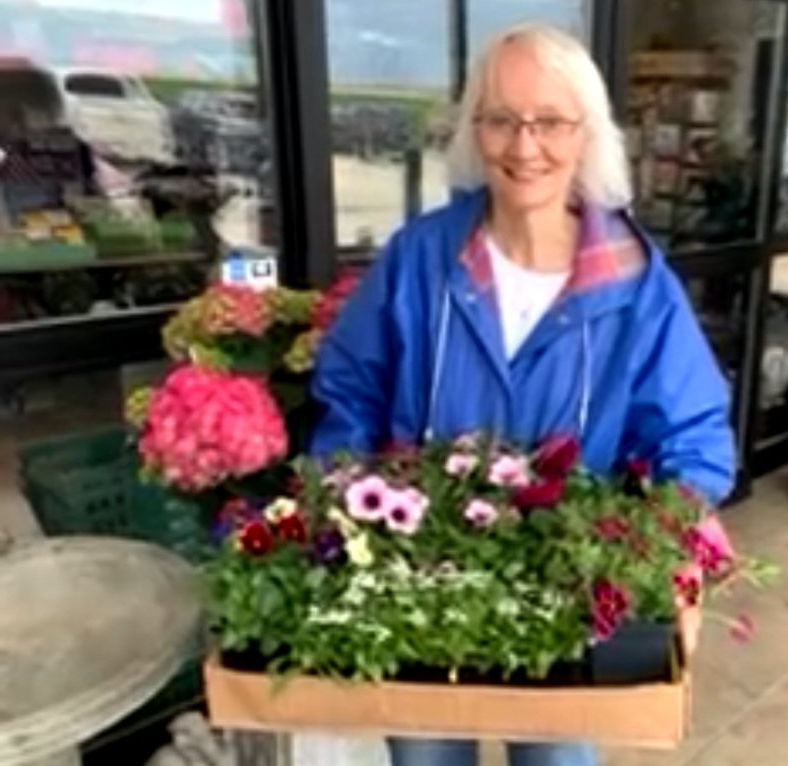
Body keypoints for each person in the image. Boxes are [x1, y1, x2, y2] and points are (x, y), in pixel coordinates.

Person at [309, 21, 736, 766]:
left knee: (555, 760)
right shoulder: (421, 257)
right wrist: (341, 515)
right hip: (419, 583)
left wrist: (673, 549)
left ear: (586, 134)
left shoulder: (633, 281)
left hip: (562, 596)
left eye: (549, 121)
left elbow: (691, 436)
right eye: (500, 118)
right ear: (475, 130)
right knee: (424, 759)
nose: (523, 144)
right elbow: (350, 389)